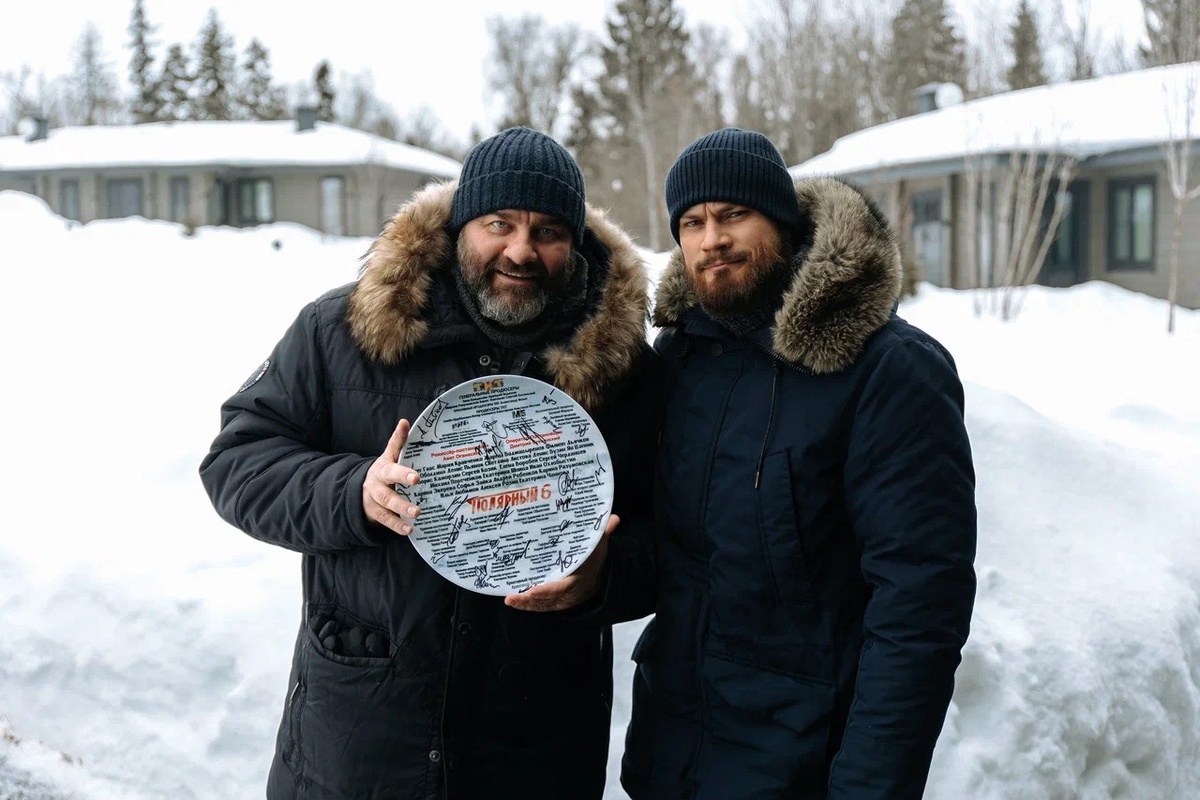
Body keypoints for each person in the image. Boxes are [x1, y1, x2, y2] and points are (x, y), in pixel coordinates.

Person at [199, 126, 660, 800]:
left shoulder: (624, 373)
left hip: (533, 753)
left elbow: (675, 539)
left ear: (577, 246)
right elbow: (238, 460)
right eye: (498, 223)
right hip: (363, 740)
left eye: (548, 231)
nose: (521, 250)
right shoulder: (342, 331)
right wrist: (352, 492)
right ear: (459, 226)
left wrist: (605, 577)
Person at [620, 128, 977, 800]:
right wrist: (589, 582)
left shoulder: (888, 369)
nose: (711, 239)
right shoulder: (678, 362)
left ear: (781, 222)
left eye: (734, 215)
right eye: (691, 222)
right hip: (673, 761)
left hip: (804, 768)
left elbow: (918, 609)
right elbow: (664, 557)